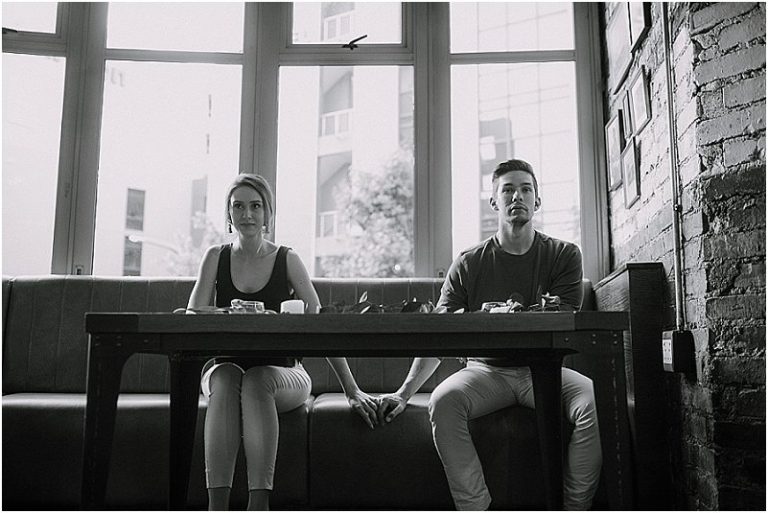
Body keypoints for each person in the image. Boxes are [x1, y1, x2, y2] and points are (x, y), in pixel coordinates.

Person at [376, 159, 601, 510]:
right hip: (485, 371)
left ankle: (573, 508)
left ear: (537, 200)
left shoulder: (564, 254)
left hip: (544, 370)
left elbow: (563, 321)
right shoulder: (468, 262)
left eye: (526, 189)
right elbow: (440, 335)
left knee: (594, 402)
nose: (517, 196)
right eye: (508, 190)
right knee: (443, 401)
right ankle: (476, 508)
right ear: (494, 201)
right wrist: (404, 393)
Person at [187, 173, 379, 511]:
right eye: (238, 206)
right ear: (228, 213)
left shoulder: (287, 259)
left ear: (268, 213)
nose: (247, 214)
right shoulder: (215, 257)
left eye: (255, 206)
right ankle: (216, 507)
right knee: (226, 376)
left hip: (285, 374)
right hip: (225, 369)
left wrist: (352, 389)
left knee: (257, 379)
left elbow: (320, 325)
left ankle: (258, 506)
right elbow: (192, 318)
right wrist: (225, 313)